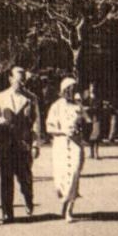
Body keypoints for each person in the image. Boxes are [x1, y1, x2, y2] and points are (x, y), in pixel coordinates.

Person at [0, 65, 40, 222]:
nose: (21, 83)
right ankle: (7, 212)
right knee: (6, 178)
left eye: (23, 80)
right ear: (10, 79)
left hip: (23, 142)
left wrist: (35, 144)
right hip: (5, 142)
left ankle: (28, 199)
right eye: (18, 80)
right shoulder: (1, 96)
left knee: (25, 177)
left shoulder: (32, 98)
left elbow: (37, 123)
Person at [46, 76, 86, 221]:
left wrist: (80, 127)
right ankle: (64, 201)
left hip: (75, 144)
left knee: (74, 173)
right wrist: (63, 132)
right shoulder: (56, 106)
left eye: (73, 89)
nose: (71, 92)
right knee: (61, 176)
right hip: (61, 144)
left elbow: (86, 122)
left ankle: (69, 210)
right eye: (68, 89)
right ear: (63, 91)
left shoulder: (78, 106)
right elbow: (49, 127)